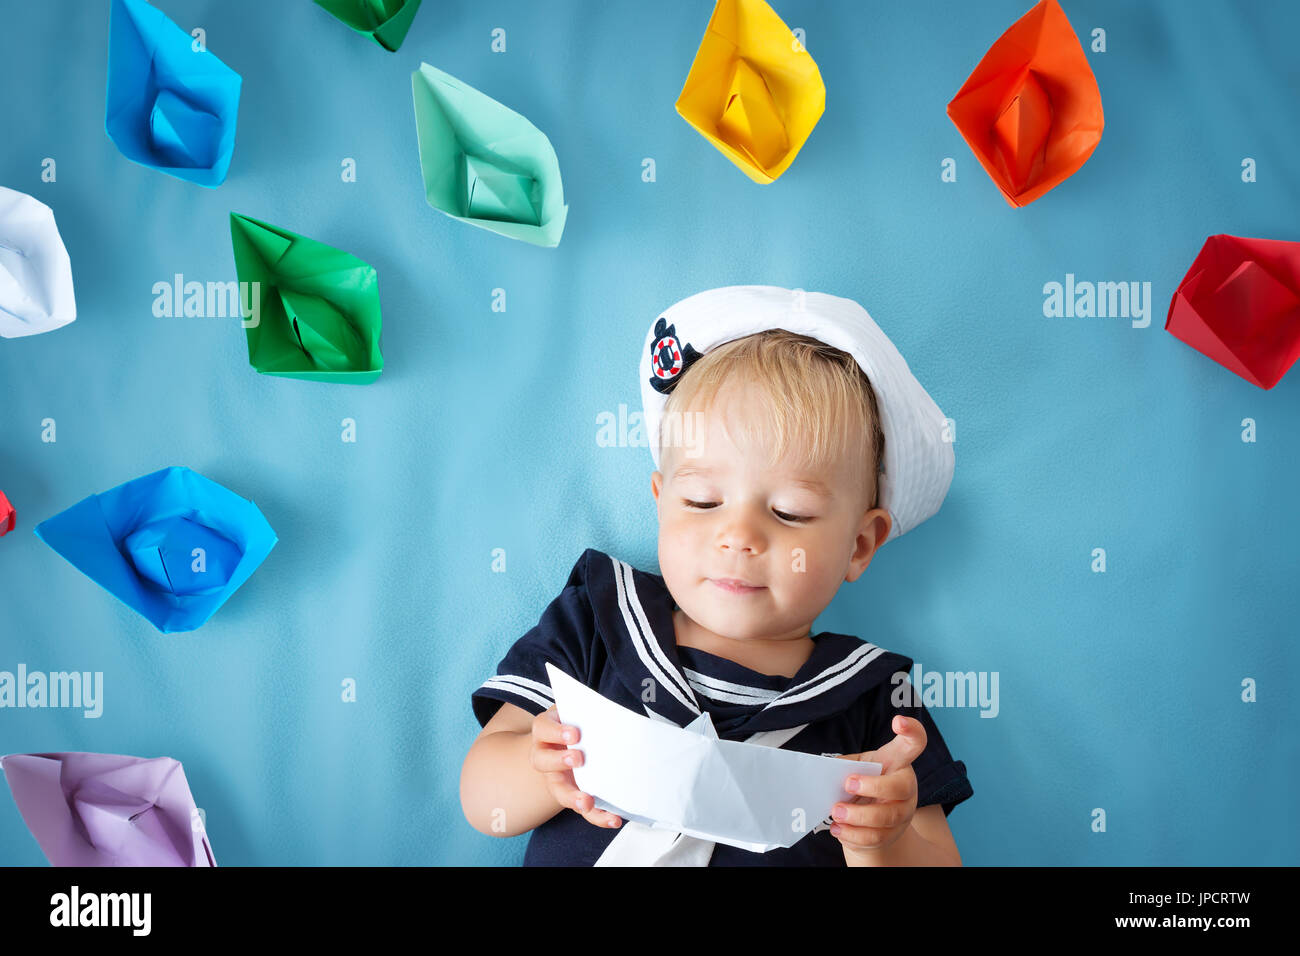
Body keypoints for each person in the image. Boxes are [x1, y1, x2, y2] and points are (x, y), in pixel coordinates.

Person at [460, 285, 973, 866]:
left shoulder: (874, 698)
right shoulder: (598, 623)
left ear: (859, 544)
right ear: (661, 501)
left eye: (789, 513)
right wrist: (536, 765)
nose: (740, 537)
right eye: (703, 501)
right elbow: (482, 799)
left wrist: (885, 838)